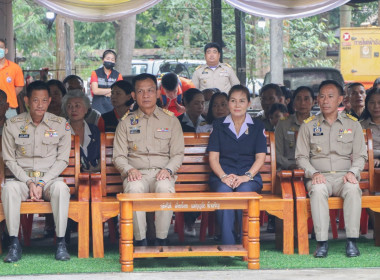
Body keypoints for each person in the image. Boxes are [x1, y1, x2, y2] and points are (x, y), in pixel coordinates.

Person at [1, 81, 72, 262]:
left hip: (49, 179)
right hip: (22, 180)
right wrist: (29, 182)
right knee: (8, 189)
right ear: (26, 100)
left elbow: (62, 160)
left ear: (49, 101)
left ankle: (61, 243)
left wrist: (41, 182)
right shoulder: (13, 125)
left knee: (61, 189)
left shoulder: (60, 124)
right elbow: (9, 159)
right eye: (35, 100)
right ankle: (14, 244)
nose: (40, 105)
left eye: (44, 100)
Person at [295, 80, 367, 258]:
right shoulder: (308, 125)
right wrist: (314, 173)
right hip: (320, 177)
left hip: (344, 176)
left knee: (353, 188)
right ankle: (322, 242)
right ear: (317, 100)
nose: (325, 100)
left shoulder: (353, 125)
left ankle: (351, 241)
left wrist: (353, 172)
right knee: (318, 191)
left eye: (330, 96)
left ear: (341, 100)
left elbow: (360, 156)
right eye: (322, 96)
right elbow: (301, 157)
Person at [113, 73, 184, 246]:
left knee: (165, 188)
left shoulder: (171, 120)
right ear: (133, 96)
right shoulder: (125, 123)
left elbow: (177, 154)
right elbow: (119, 156)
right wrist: (129, 170)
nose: (146, 95)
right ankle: (140, 241)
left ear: (158, 93)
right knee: (134, 189)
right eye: (141, 91)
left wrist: (168, 170)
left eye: (150, 90)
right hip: (137, 173)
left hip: (163, 172)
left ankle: (161, 240)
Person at [207, 84, 266, 245]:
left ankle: (245, 242)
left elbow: (260, 157)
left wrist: (247, 176)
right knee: (224, 193)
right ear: (228, 103)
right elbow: (213, 158)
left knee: (244, 192)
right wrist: (224, 177)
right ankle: (229, 244)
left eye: (242, 101)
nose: (237, 105)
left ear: (249, 104)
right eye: (233, 101)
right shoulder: (219, 125)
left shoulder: (257, 126)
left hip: (248, 177)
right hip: (222, 176)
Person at [275, 86, 314, 170]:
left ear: (313, 102)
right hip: (288, 169)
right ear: (294, 102)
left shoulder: (318, 124)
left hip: (313, 169)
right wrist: (290, 165)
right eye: (298, 99)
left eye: (306, 99)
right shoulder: (283, 123)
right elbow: (276, 153)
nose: (302, 103)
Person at [62, 90, 100, 172]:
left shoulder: (94, 130)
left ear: (86, 109)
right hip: (69, 177)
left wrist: (96, 168)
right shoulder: (61, 131)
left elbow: (101, 156)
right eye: (69, 106)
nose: (73, 110)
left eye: (77, 106)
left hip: (94, 178)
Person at [90, 50, 123, 114]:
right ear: (103, 60)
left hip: (113, 107)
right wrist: (112, 90)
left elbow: (120, 92)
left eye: (112, 59)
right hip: (97, 107)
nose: (110, 61)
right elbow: (95, 91)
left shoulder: (118, 75)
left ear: (115, 61)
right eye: (108, 58)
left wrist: (101, 91)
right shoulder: (95, 73)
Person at [0, 38, 25, 118]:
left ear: (6, 50)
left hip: (10, 108)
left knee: (11, 129)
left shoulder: (15, 68)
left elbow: (20, 86)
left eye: (1, 47)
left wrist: (8, 97)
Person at [361, 88, 380, 167]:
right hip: (369, 166)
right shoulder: (360, 126)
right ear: (366, 104)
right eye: (372, 102)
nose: (376, 106)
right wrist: (371, 159)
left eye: (379, 102)